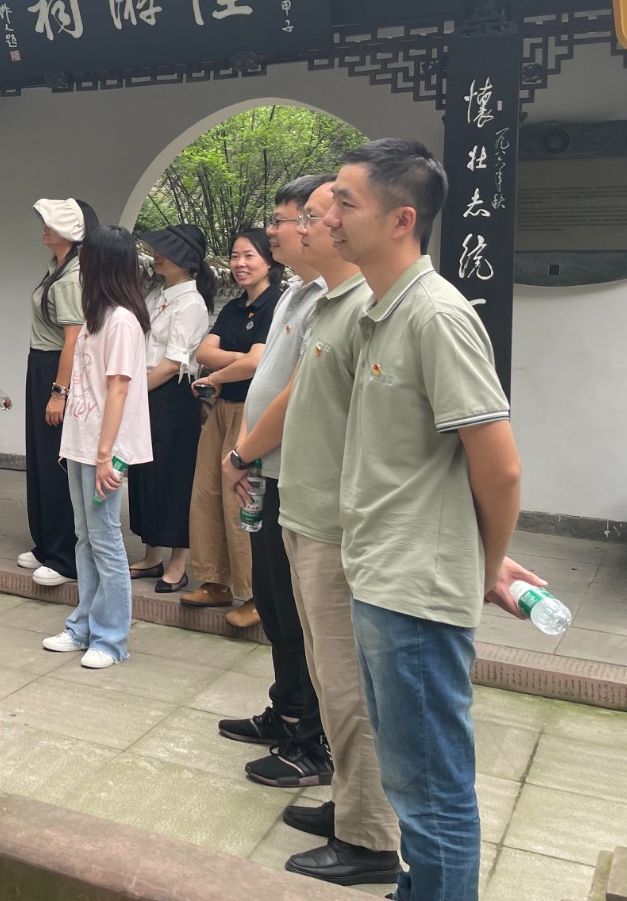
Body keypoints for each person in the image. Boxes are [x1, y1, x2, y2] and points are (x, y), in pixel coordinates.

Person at [325, 139, 540, 901]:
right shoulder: (380, 311)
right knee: (409, 779)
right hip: (383, 575)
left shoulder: (437, 315)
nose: (329, 215)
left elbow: (499, 465)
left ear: (401, 220)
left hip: (415, 590)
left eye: (345, 202)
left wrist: (486, 562)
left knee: (432, 791)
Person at [225, 176, 402, 887]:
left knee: (350, 683)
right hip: (299, 500)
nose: (300, 227)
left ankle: (370, 835)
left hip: (332, 515)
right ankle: (350, 809)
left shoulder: (381, 305)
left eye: (323, 214)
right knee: (328, 669)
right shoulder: (323, 299)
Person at [213, 177, 334, 792]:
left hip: (293, 472)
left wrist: (243, 451)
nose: (281, 229)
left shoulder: (332, 298)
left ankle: (312, 738)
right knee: (272, 596)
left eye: (289, 219)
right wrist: (246, 456)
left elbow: (296, 391)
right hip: (266, 469)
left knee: (297, 606)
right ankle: (285, 710)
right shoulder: (294, 293)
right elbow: (267, 381)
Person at [40, 224, 152, 669]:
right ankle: (82, 626)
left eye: (86, 258)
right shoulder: (95, 316)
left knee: (105, 541)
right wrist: (73, 443)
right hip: (83, 443)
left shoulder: (122, 320)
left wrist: (107, 455)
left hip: (107, 449)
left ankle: (111, 638)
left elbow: (118, 390)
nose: (80, 264)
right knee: (85, 538)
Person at [181, 229, 281, 614]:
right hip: (221, 410)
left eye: (249, 256)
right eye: (235, 256)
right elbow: (204, 351)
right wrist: (243, 361)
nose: (240, 264)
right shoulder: (234, 308)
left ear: (269, 260)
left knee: (243, 500)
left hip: (253, 413)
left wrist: (219, 375)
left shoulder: (276, 304)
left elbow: (259, 364)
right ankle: (214, 582)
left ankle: (256, 595)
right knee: (206, 493)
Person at [127, 223, 214, 593]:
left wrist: (131, 395)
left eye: (168, 251)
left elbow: (172, 363)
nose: (157, 256)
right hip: (145, 388)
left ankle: (178, 562)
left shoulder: (191, 304)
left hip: (171, 395)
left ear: (187, 260)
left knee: (174, 476)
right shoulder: (157, 294)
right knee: (144, 471)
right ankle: (152, 555)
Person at [19, 199, 96, 588]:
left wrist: (59, 392)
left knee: (55, 462)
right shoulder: (58, 268)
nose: (44, 227)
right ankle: (46, 543)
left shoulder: (71, 278)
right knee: (40, 457)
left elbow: (73, 341)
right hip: (43, 365)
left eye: (51, 223)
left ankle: (64, 556)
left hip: (56, 369)